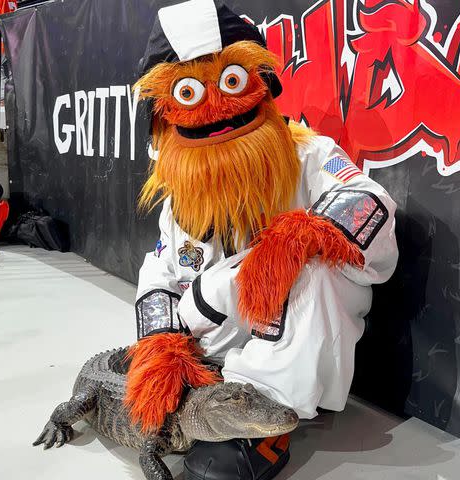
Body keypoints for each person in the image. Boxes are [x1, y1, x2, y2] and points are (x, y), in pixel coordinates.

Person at [125, 1, 398, 478]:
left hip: (293, 335)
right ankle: (210, 393)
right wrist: (161, 343)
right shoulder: (180, 195)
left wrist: (294, 240)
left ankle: (263, 422)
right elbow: (162, 268)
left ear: (261, 85)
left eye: (231, 80)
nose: (216, 104)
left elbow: (369, 201)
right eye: (189, 92)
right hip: (221, 338)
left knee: (318, 266)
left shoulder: (308, 152)